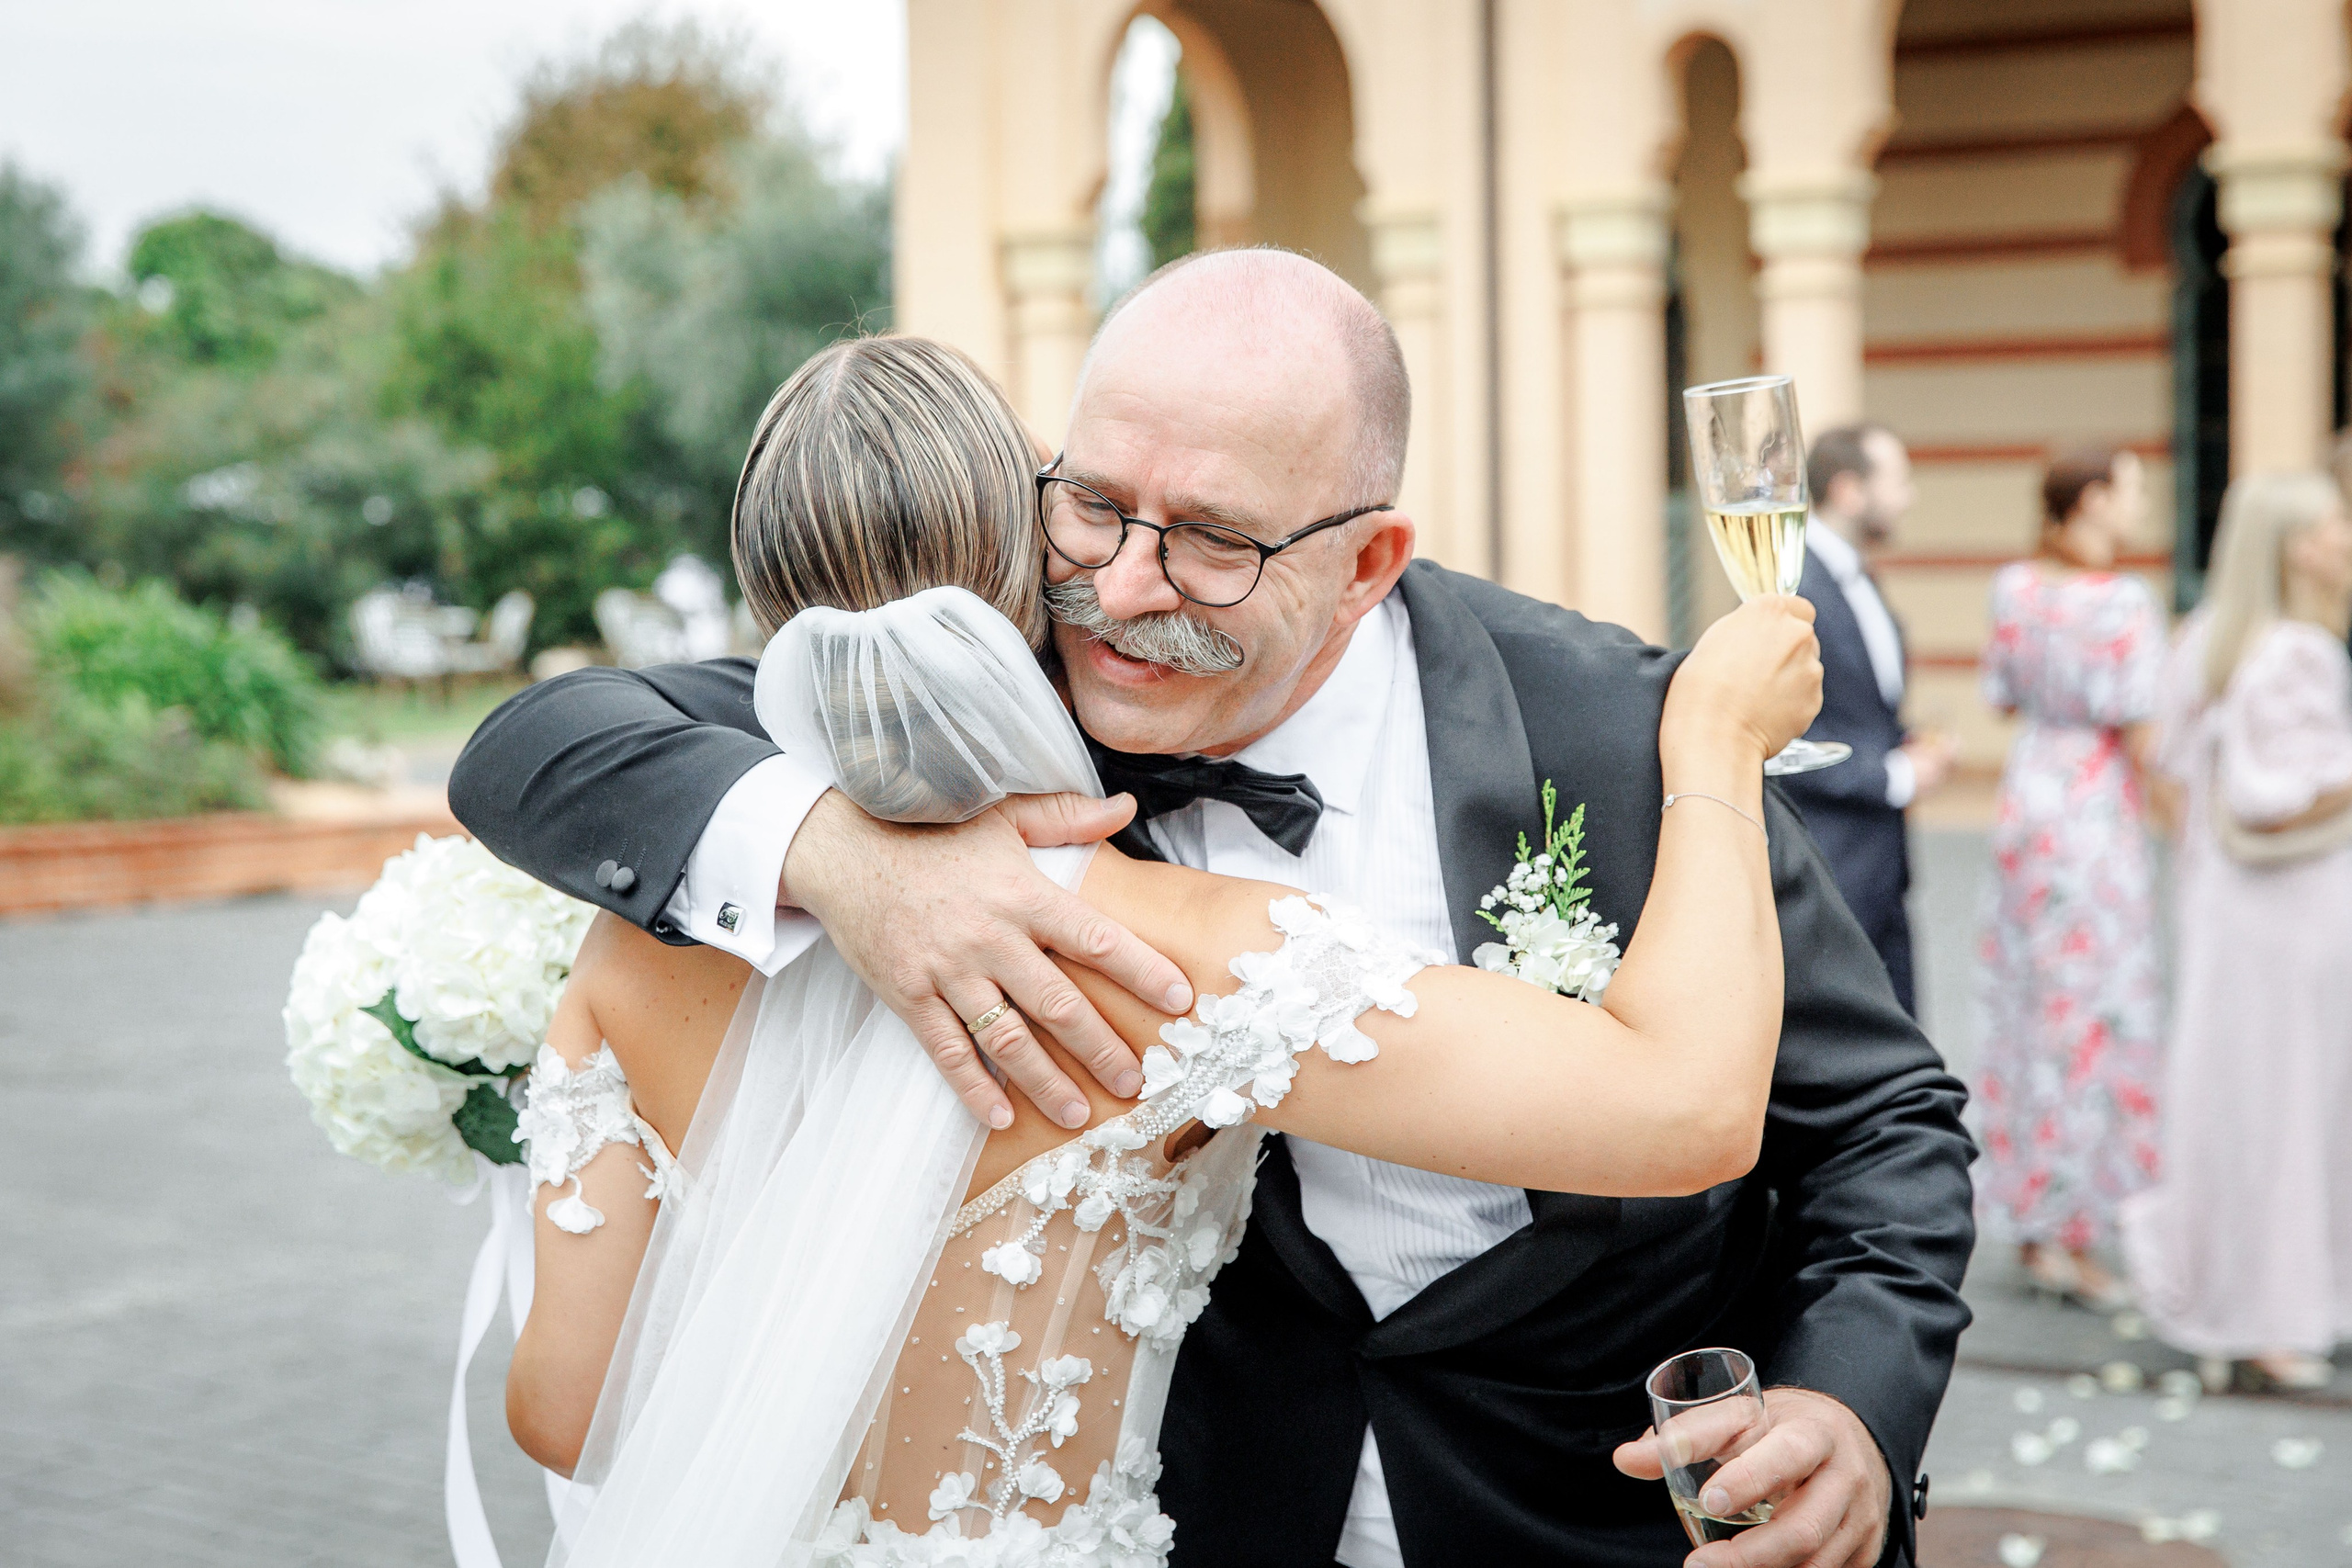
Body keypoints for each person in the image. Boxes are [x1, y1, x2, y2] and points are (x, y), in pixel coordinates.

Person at [453, 249, 1975, 1568]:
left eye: (1213, 542)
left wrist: (1847, 1399)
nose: (1121, 589)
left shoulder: (1612, 726)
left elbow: (1879, 1112)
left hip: (1590, 1516)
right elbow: (543, 745)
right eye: (1093, 509)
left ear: (1369, 559)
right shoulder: (980, 686)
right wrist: (848, 861)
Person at [2121, 470, 2352, 1393]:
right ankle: (2272, 1314)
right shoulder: (2299, 650)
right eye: (2337, 525)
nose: (2346, 539)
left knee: (2239, 1095)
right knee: (2296, 1102)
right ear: (2298, 546)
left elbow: (2169, 765)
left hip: (2226, 905)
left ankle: (2239, 1297)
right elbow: (2279, 793)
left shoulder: (2205, 637)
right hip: (2293, 908)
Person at [1973, 446, 2166, 1311]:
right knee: (2096, 1015)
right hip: (2093, 812)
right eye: (2129, 491)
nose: (2141, 505)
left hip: (2028, 801)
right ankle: (2081, 1236)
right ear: (2092, 500)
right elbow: (2143, 730)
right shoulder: (2126, 600)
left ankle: (2037, 1222)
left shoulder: (2013, 587)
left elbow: (2003, 694)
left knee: (2030, 1012)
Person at [1781, 423, 1954, 1016]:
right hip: (1831, 866)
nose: (1908, 497)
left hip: (1882, 868)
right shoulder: (1792, 585)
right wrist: (1891, 776)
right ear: (1850, 490)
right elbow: (1779, 736)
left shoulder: (1857, 578)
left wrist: (1908, 749)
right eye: (1897, 481)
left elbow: (1856, 711)